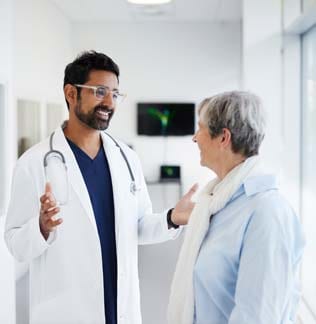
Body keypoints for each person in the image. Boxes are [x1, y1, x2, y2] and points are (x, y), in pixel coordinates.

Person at [5, 50, 197, 324]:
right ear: (71, 94)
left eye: (115, 94)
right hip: (66, 310)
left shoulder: (126, 158)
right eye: (99, 91)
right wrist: (41, 227)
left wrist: (171, 218)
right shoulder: (34, 163)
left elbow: (138, 226)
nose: (110, 102)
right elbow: (15, 244)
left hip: (120, 308)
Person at [168, 91, 305, 324]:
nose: (195, 138)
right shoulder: (217, 203)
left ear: (223, 138)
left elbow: (258, 317)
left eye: (200, 128)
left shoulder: (266, 212)